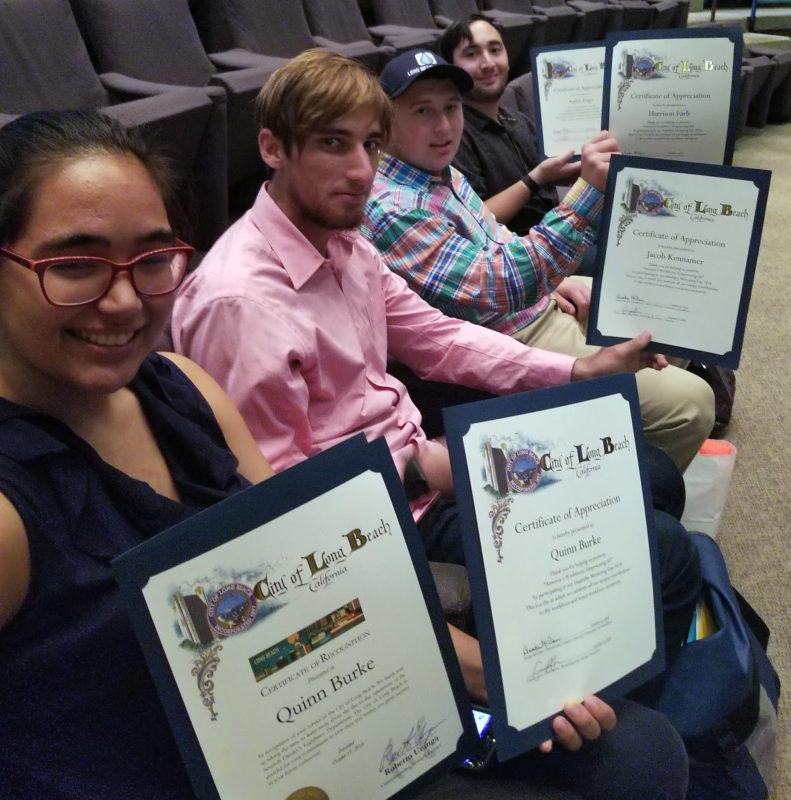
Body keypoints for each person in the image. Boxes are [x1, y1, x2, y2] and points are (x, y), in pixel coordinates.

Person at [172, 50, 698, 799]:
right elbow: (284, 518)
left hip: (422, 479)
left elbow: (439, 337)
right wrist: (422, 469)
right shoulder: (241, 303)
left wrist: (578, 371)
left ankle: (600, 706)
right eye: (331, 144)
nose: (360, 170)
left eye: (369, 145)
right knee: (655, 631)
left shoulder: (343, 239)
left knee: (656, 503)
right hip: (371, 534)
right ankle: (582, 729)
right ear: (271, 148)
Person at [0, 110, 276, 797]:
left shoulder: (185, 388)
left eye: (153, 260)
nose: (124, 302)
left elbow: (303, 579)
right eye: (74, 266)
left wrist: (504, 676)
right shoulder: (7, 514)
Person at [361, 49, 715, 472]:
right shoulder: (393, 206)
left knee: (665, 327)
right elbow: (496, 287)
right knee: (692, 405)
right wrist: (588, 192)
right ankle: (620, 504)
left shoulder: (438, 171)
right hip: (513, 337)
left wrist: (557, 281)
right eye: (422, 111)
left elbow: (494, 236)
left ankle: (625, 458)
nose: (443, 126)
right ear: (385, 123)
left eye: (451, 108)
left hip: (536, 307)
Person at [440, 14, 575, 240]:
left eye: (495, 50)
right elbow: (473, 219)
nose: (488, 63)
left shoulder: (517, 119)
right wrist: (537, 179)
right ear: (452, 68)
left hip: (557, 232)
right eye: (472, 54)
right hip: (515, 253)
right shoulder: (452, 135)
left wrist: (580, 165)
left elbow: (550, 177)